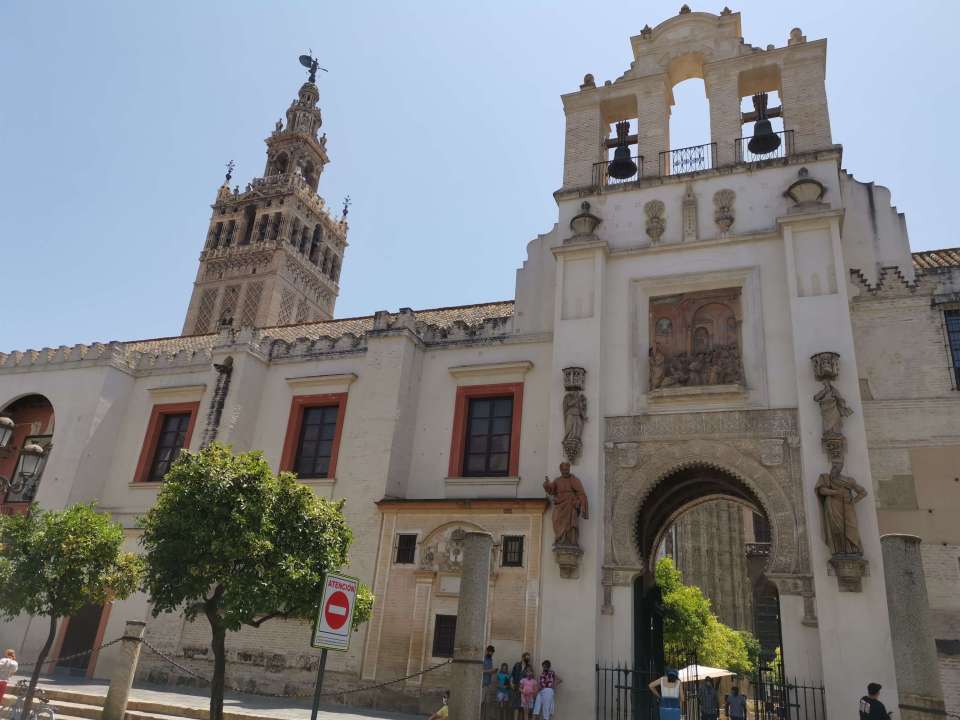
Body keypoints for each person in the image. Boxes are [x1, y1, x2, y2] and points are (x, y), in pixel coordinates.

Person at [511, 653, 533, 720]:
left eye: (528, 658)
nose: (528, 659)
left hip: (525, 690)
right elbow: (512, 674)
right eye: (526, 657)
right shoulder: (517, 665)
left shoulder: (529, 667)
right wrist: (511, 683)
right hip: (516, 687)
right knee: (516, 706)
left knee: (523, 707)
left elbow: (531, 678)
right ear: (523, 657)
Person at [482, 645, 497, 720]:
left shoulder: (490, 660)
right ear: (487, 651)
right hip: (482, 684)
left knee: (487, 703)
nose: (491, 654)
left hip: (488, 684)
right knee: (481, 703)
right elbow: (480, 671)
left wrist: (493, 672)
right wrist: (490, 671)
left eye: (492, 652)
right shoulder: (482, 659)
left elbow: (489, 671)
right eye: (490, 652)